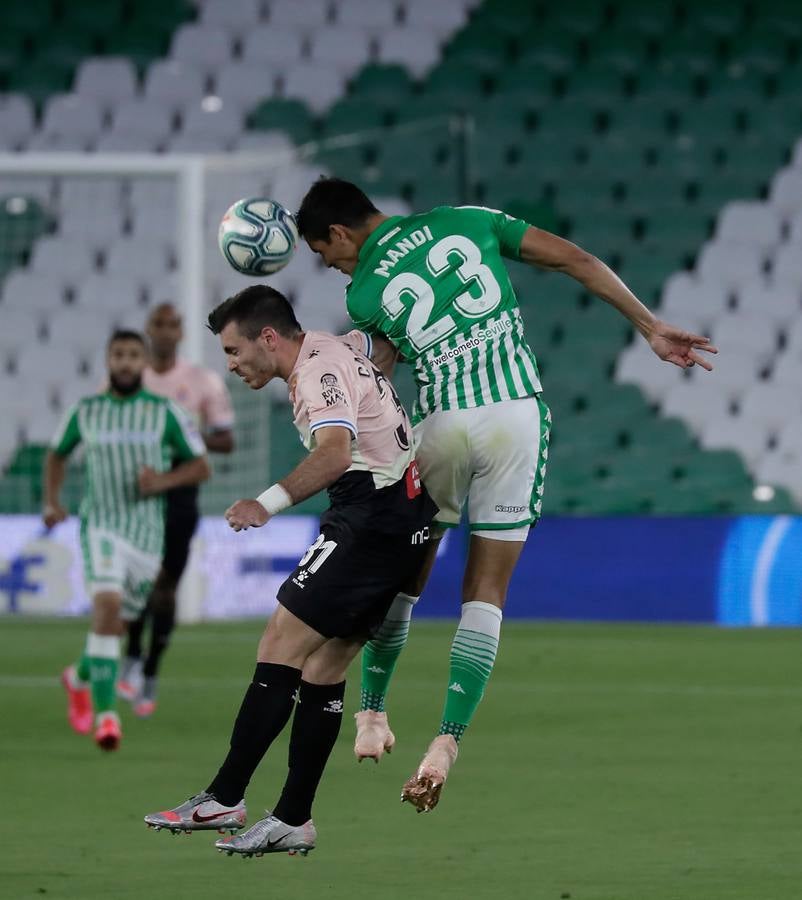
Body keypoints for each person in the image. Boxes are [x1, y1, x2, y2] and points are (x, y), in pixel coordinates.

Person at [296, 177, 718, 811]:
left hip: (440, 424)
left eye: (326, 254)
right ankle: (446, 741)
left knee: (401, 576)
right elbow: (575, 258)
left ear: (338, 232)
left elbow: (378, 369)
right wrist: (650, 326)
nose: (332, 267)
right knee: (486, 593)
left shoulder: (364, 293)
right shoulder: (469, 219)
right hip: (514, 415)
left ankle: (373, 713)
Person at [144, 285, 436, 857]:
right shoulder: (336, 346)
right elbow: (383, 348)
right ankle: (293, 818)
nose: (232, 366)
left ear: (269, 338)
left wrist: (265, 503)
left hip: (370, 520)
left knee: (280, 640)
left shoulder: (314, 375)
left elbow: (331, 453)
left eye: (233, 351)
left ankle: (226, 796)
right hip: (404, 518)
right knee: (323, 668)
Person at [46, 330, 210, 751]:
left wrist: (162, 481)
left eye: (132, 355)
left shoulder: (165, 413)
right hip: (100, 525)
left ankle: (78, 677)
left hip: (146, 534)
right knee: (106, 606)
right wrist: (52, 501)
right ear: (107, 360)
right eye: (118, 354)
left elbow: (199, 466)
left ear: (143, 363)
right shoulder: (86, 411)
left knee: (115, 624)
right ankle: (106, 717)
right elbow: (56, 454)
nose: (124, 362)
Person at [118, 302, 235, 717]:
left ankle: (149, 669)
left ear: (181, 333)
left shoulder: (201, 382)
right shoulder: (131, 379)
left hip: (179, 493)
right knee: (135, 582)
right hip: (136, 493)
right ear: (148, 329)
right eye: (158, 324)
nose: (165, 332)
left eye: (173, 325)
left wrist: (184, 434)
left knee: (165, 586)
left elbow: (226, 440)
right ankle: (132, 652)